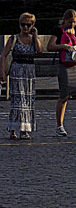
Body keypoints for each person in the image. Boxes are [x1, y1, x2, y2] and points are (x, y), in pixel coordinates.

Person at [1, 12, 42, 140]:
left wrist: (35, 36)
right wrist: (2, 71)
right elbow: (4, 55)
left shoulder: (32, 39)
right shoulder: (13, 38)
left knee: (28, 101)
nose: (25, 27)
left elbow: (39, 50)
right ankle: (13, 128)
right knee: (17, 101)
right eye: (23, 24)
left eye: (28, 25)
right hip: (16, 71)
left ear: (32, 25)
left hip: (29, 72)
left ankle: (25, 129)